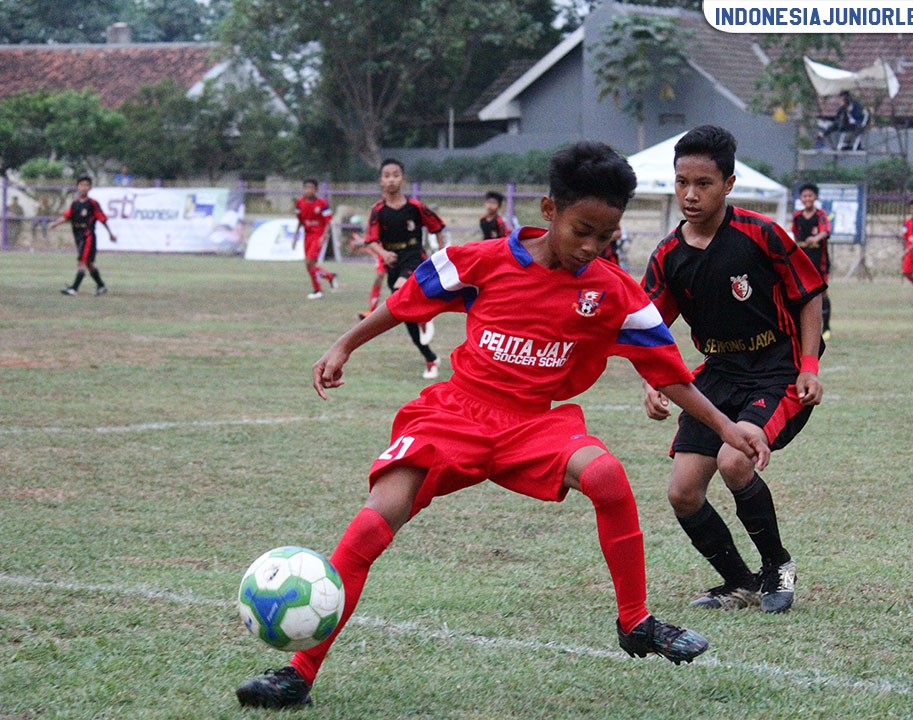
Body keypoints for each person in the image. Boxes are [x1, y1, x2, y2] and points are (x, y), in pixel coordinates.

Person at [235, 141, 772, 710]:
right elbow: (406, 300)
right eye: (582, 230)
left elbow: (668, 374)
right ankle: (297, 673)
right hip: (454, 415)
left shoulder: (613, 292)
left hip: (533, 426)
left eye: (606, 236)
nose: (592, 246)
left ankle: (635, 621)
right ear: (549, 210)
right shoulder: (481, 261)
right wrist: (344, 344)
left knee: (607, 476)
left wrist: (724, 426)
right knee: (370, 528)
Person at [641, 125, 825, 615]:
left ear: (729, 183)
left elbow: (809, 297)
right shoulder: (667, 256)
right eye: (682, 182)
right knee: (682, 491)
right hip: (718, 372)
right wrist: (650, 380)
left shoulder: (760, 234)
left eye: (703, 183)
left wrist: (809, 365)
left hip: (775, 368)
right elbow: (649, 328)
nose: (690, 194)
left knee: (734, 459)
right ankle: (739, 582)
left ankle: (777, 566)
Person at [363, 159, 444, 379]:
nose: (391, 179)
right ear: (381, 180)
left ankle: (425, 318)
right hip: (393, 261)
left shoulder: (415, 207)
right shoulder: (377, 210)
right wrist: (384, 254)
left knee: (400, 291)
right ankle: (430, 357)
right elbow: (370, 240)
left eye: (396, 174)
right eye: (387, 175)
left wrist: (443, 253)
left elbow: (437, 227)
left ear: (403, 179)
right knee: (402, 312)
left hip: (414, 256)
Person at [48, 176, 117, 296]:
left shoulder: (92, 204)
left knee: (81, 262)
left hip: (88, 236)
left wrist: (110, 234)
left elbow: (102, 219)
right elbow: (66, 216)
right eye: (81, 185)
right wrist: (55, 224)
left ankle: (74, 289)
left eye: (86, 185)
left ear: (90, 187)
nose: (83, 188)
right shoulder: (75, 204)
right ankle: (101, 285)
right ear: (77, 187)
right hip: (78, 236)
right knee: (89, 263)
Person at [792, 182, 832, 339]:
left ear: (815, 197)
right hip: (802, 260)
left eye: (810, 195)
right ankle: (802, 327)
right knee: (801, 293)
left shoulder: (820, 215)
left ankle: (826, 327)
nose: (807, 198)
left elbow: (825, 231)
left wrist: (815, 238)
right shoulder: (797, 217)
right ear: (801, 199)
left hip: (819, 260)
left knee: (822, 293)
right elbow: (794, 235)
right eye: (804, 196)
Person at [292, 179, 338, 299]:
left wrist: (324, 236)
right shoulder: (299, 203)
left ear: (316, 190)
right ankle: (329, 277)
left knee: (309, 262)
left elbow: (328, 222)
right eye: (306, 188)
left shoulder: (322, 204)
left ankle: (318, 290)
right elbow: (300, 221)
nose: (308, 190)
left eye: (311, 188)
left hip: (318, 235)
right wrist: (295, 236)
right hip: (307, 235)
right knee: (309, 266)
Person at [346, 213, 386, 319]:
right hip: (383, 252)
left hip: (399, 252)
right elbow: (371, 239)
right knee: (379, 277)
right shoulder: (376, 220)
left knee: (401, 283)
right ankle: (372, 311)